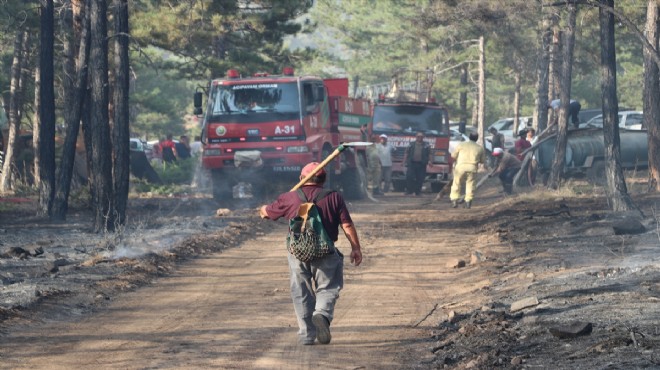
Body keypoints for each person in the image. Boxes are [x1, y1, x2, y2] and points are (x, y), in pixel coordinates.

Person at [259, 162, 363, 346]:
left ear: (301, 179)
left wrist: (263, 209)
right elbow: (346, 224)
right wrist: (356, 248)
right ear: (323, 179)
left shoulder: (289, 197)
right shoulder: (334, 197)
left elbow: (267, 213)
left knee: (301, 292)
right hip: (325, 251)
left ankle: (307, 335)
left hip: (298, 253)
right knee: (328, 287)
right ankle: (322, 314)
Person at [449, 132, 486, 209]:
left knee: (456, 183)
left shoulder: (461, 145)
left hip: (460, 167)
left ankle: (454, 200)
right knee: (470, 185)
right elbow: (482, 161)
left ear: (469, 137)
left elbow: (453, 156)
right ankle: (468, 202)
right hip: (472, 168)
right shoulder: (479, 148)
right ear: (477, 138)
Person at [403, 132, 432, 196]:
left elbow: (429, 154)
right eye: (418, 136)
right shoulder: (411, 144)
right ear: (416, 137)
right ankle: (409, 191)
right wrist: (404, 162)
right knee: (409, 177)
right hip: (412, 163)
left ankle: (418, 192)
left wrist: (430, 161)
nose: (419, 138)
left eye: (421, 137)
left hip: (421, 164)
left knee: (420, 178)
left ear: (423, 137)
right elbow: (406, 153)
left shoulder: (426, 145)